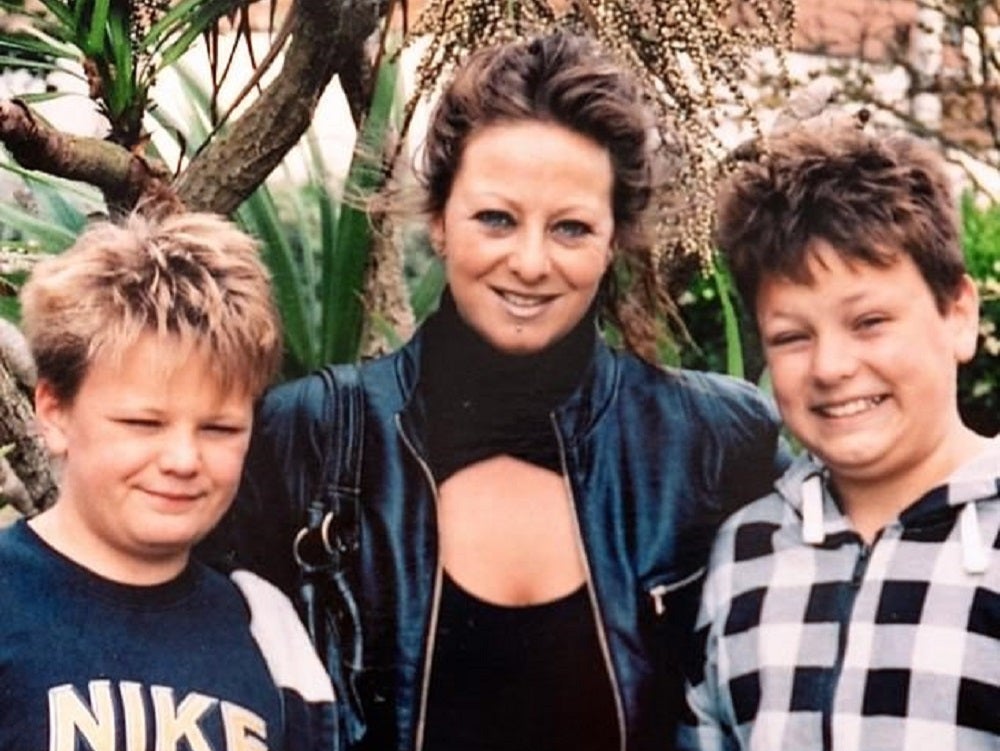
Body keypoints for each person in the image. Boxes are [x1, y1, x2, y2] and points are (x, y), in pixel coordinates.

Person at [206, 31, 787, 751]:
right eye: (496, 219)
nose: (531, 261)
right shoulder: (309, 440)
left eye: (571, 228)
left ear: (613, 242)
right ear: (439, 220)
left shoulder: (714, 443)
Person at [678, 124, 999, 750]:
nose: (830, 367)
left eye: (870, 322)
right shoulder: (744, 554)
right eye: (793, 336)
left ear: (958, 314)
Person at [0, 212, 337, 751]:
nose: (183, 459)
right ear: (54, 412)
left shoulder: (267, 629)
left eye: (220, 428)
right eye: (143, 423)